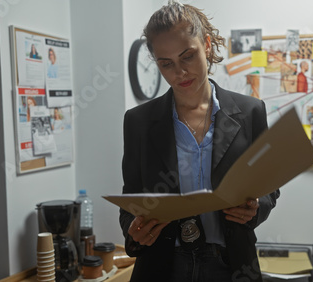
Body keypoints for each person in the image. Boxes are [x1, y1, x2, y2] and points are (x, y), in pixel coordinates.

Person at [119, 2, 279, 282]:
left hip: (231, 265)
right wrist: (133, 229)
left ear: (206, 44)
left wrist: (255, 207)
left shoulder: (251, 111)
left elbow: (269, 189)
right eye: (166, 63)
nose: (179, 72)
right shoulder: (138, 121)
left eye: (187, 56)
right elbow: (131, 199)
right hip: (162, 266)